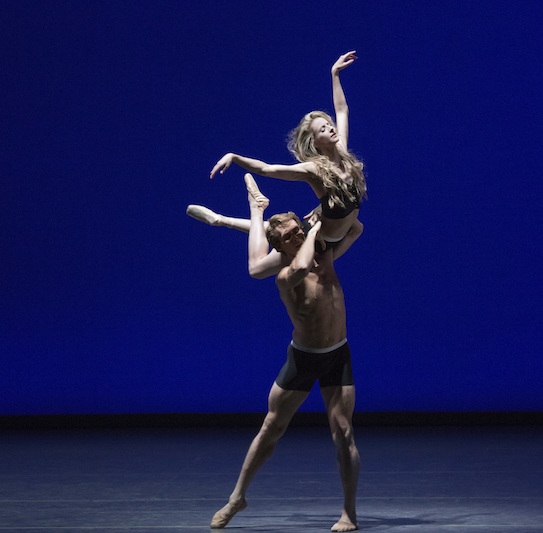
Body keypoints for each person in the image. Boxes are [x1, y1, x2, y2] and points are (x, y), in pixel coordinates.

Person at [210, 174, 361, 532]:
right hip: (304, 358)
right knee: (271, 428)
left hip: (337, 354)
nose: (295, 237)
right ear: (277, 245)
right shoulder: (285, 274)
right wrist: (312, 228)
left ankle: (349, 514)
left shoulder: (324, 254)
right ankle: (237, 498)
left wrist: (336, 209)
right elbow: (299, 261)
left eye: (296, 232)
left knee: (343, 432)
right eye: (287, 237)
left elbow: (354, 229)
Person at [206, 51, 366, 247]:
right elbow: (267, 169)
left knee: (357, 228)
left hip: (338, 238)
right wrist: (235, 157)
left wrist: (335, 74)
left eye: (329, 124)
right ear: (315, 143)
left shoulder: (342, 149)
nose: (331, 128)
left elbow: (341, 110)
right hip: (312, 240)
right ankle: (224, 220)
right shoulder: (314, 169)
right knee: (259, 268)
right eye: (322, 129)